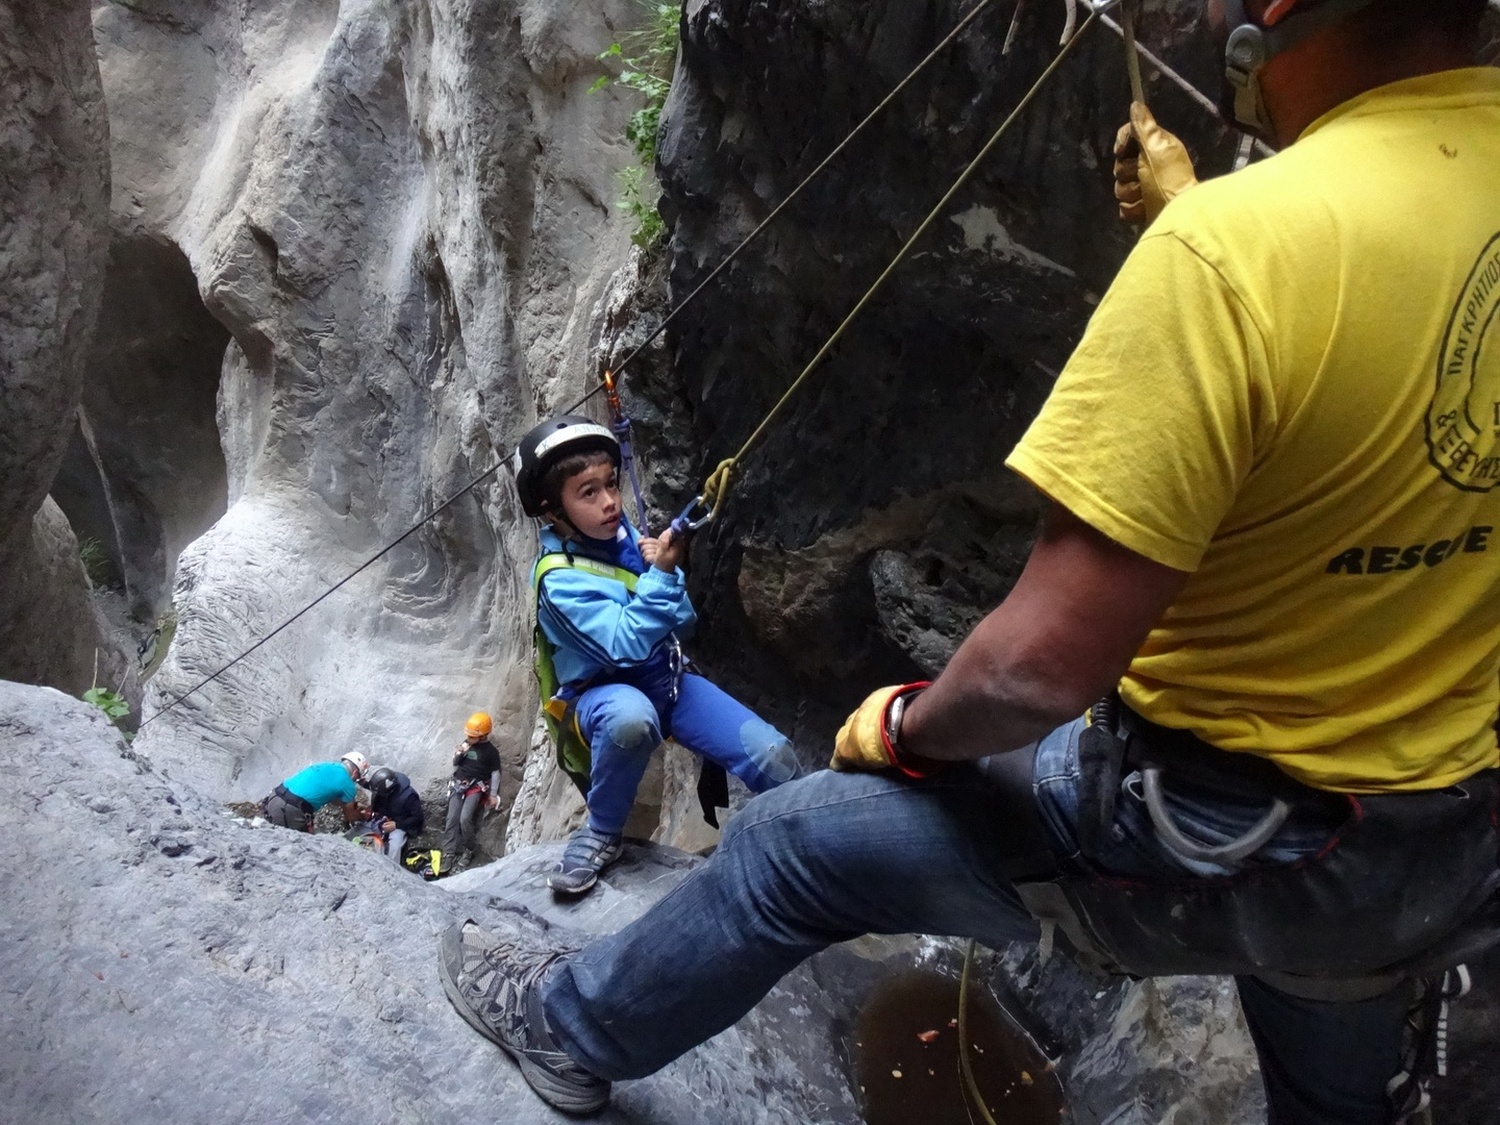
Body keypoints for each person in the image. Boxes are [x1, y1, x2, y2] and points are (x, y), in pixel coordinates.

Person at [437, 0, 1500, 1120]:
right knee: (1332, 1041)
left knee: (791, 846)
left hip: (1224, 828)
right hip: (1447, 840)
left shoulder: (1234, 254)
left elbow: (1035, 673)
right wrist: (1207, 224)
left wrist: (905, 727)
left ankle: (571, 1026)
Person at [504, 416, 801, 896]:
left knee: (774, 754)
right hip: (604, 696)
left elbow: (683, 623)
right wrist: (661, 574)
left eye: (610, 484)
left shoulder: (623, 540)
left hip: (668, 682)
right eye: (588, 493)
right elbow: (624, 646)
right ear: (550, 510)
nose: (609, 501)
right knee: (631, 718)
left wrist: (660, 573)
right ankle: (602, 831)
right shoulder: (559, 582)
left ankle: (814, 825)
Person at [442, 712, 502, 872]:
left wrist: (493, 795)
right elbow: (456, 764)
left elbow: (495, 773)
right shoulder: (466, 744)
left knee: (465, 819)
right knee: (452, 818)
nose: (468, 738)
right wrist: (459, 754)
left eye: (472, 736)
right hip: (458, 784)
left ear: (482, 736)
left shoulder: (491, 752)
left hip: (475, 787)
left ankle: (469, 849)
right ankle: (448, 852)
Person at [260, 752, 368, 833]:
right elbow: (350, 817)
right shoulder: (348, 784)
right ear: (355, 773)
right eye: (358, 777)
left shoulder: (325, 765)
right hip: (292, 809)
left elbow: (328, 795)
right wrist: (364, 816)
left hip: (274, 797)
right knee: (309, 848)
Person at [364, 766, 425, 866]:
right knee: (362, 832)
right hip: (383, 820)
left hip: (401, 824)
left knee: (395, 846)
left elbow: (417, 818)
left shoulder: (409, 796)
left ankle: (392, 868)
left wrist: (396, 825)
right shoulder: (381, 791)